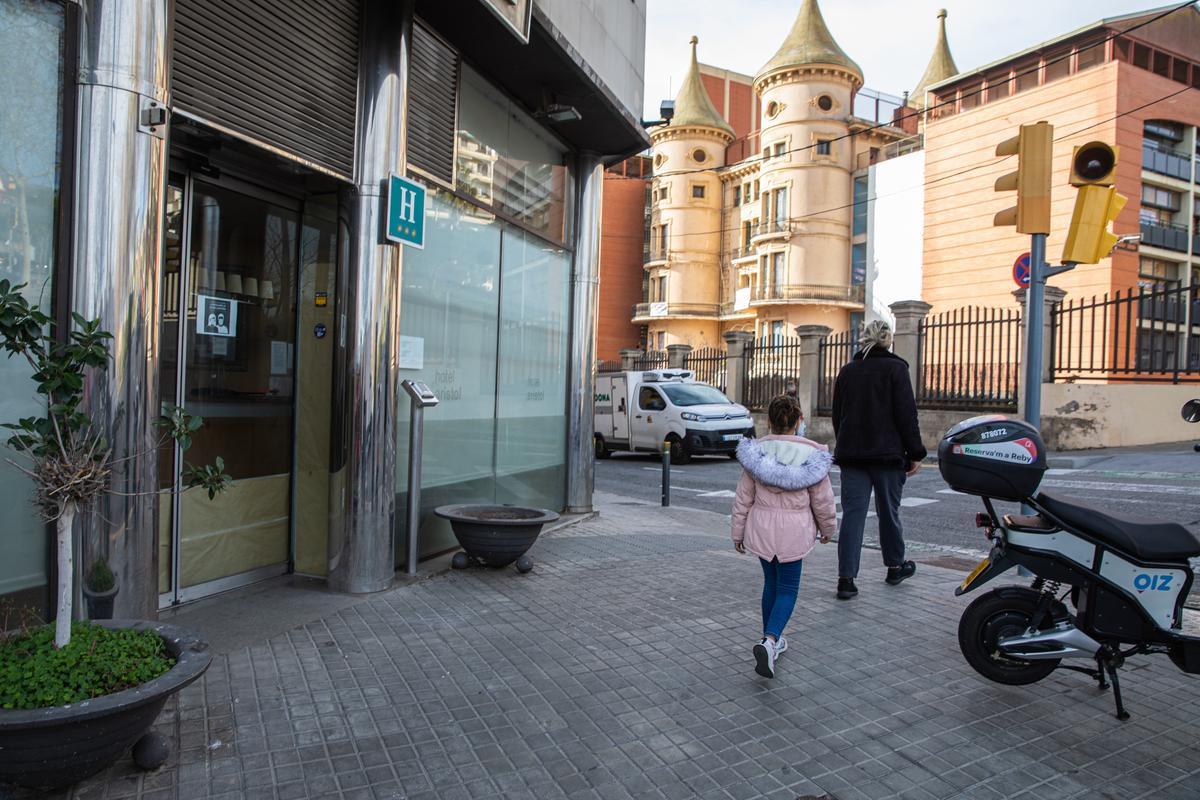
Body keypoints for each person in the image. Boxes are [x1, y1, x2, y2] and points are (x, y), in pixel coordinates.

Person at [731, 394, 837, 678]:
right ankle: (771, 640)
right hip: (795, 532)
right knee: (788, 590)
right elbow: (824, 502)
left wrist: (737, 532)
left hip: (761, 528)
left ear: (769, 422)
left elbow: (743, 499)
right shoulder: (813, 457)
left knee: (771, 584)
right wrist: (828, 530)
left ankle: (771, 642)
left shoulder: (756, 454)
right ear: (799, 421)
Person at [830, 320, 926, 601]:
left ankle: (846, 580)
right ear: (888, 340)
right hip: (887, 455)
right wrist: (915, 453)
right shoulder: (897, 369)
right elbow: (907, 415)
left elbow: (838, 416)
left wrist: (846, 442)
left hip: (853, 456)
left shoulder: (847, 372)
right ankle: (895, 567)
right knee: (889, 513)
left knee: (853, 517)